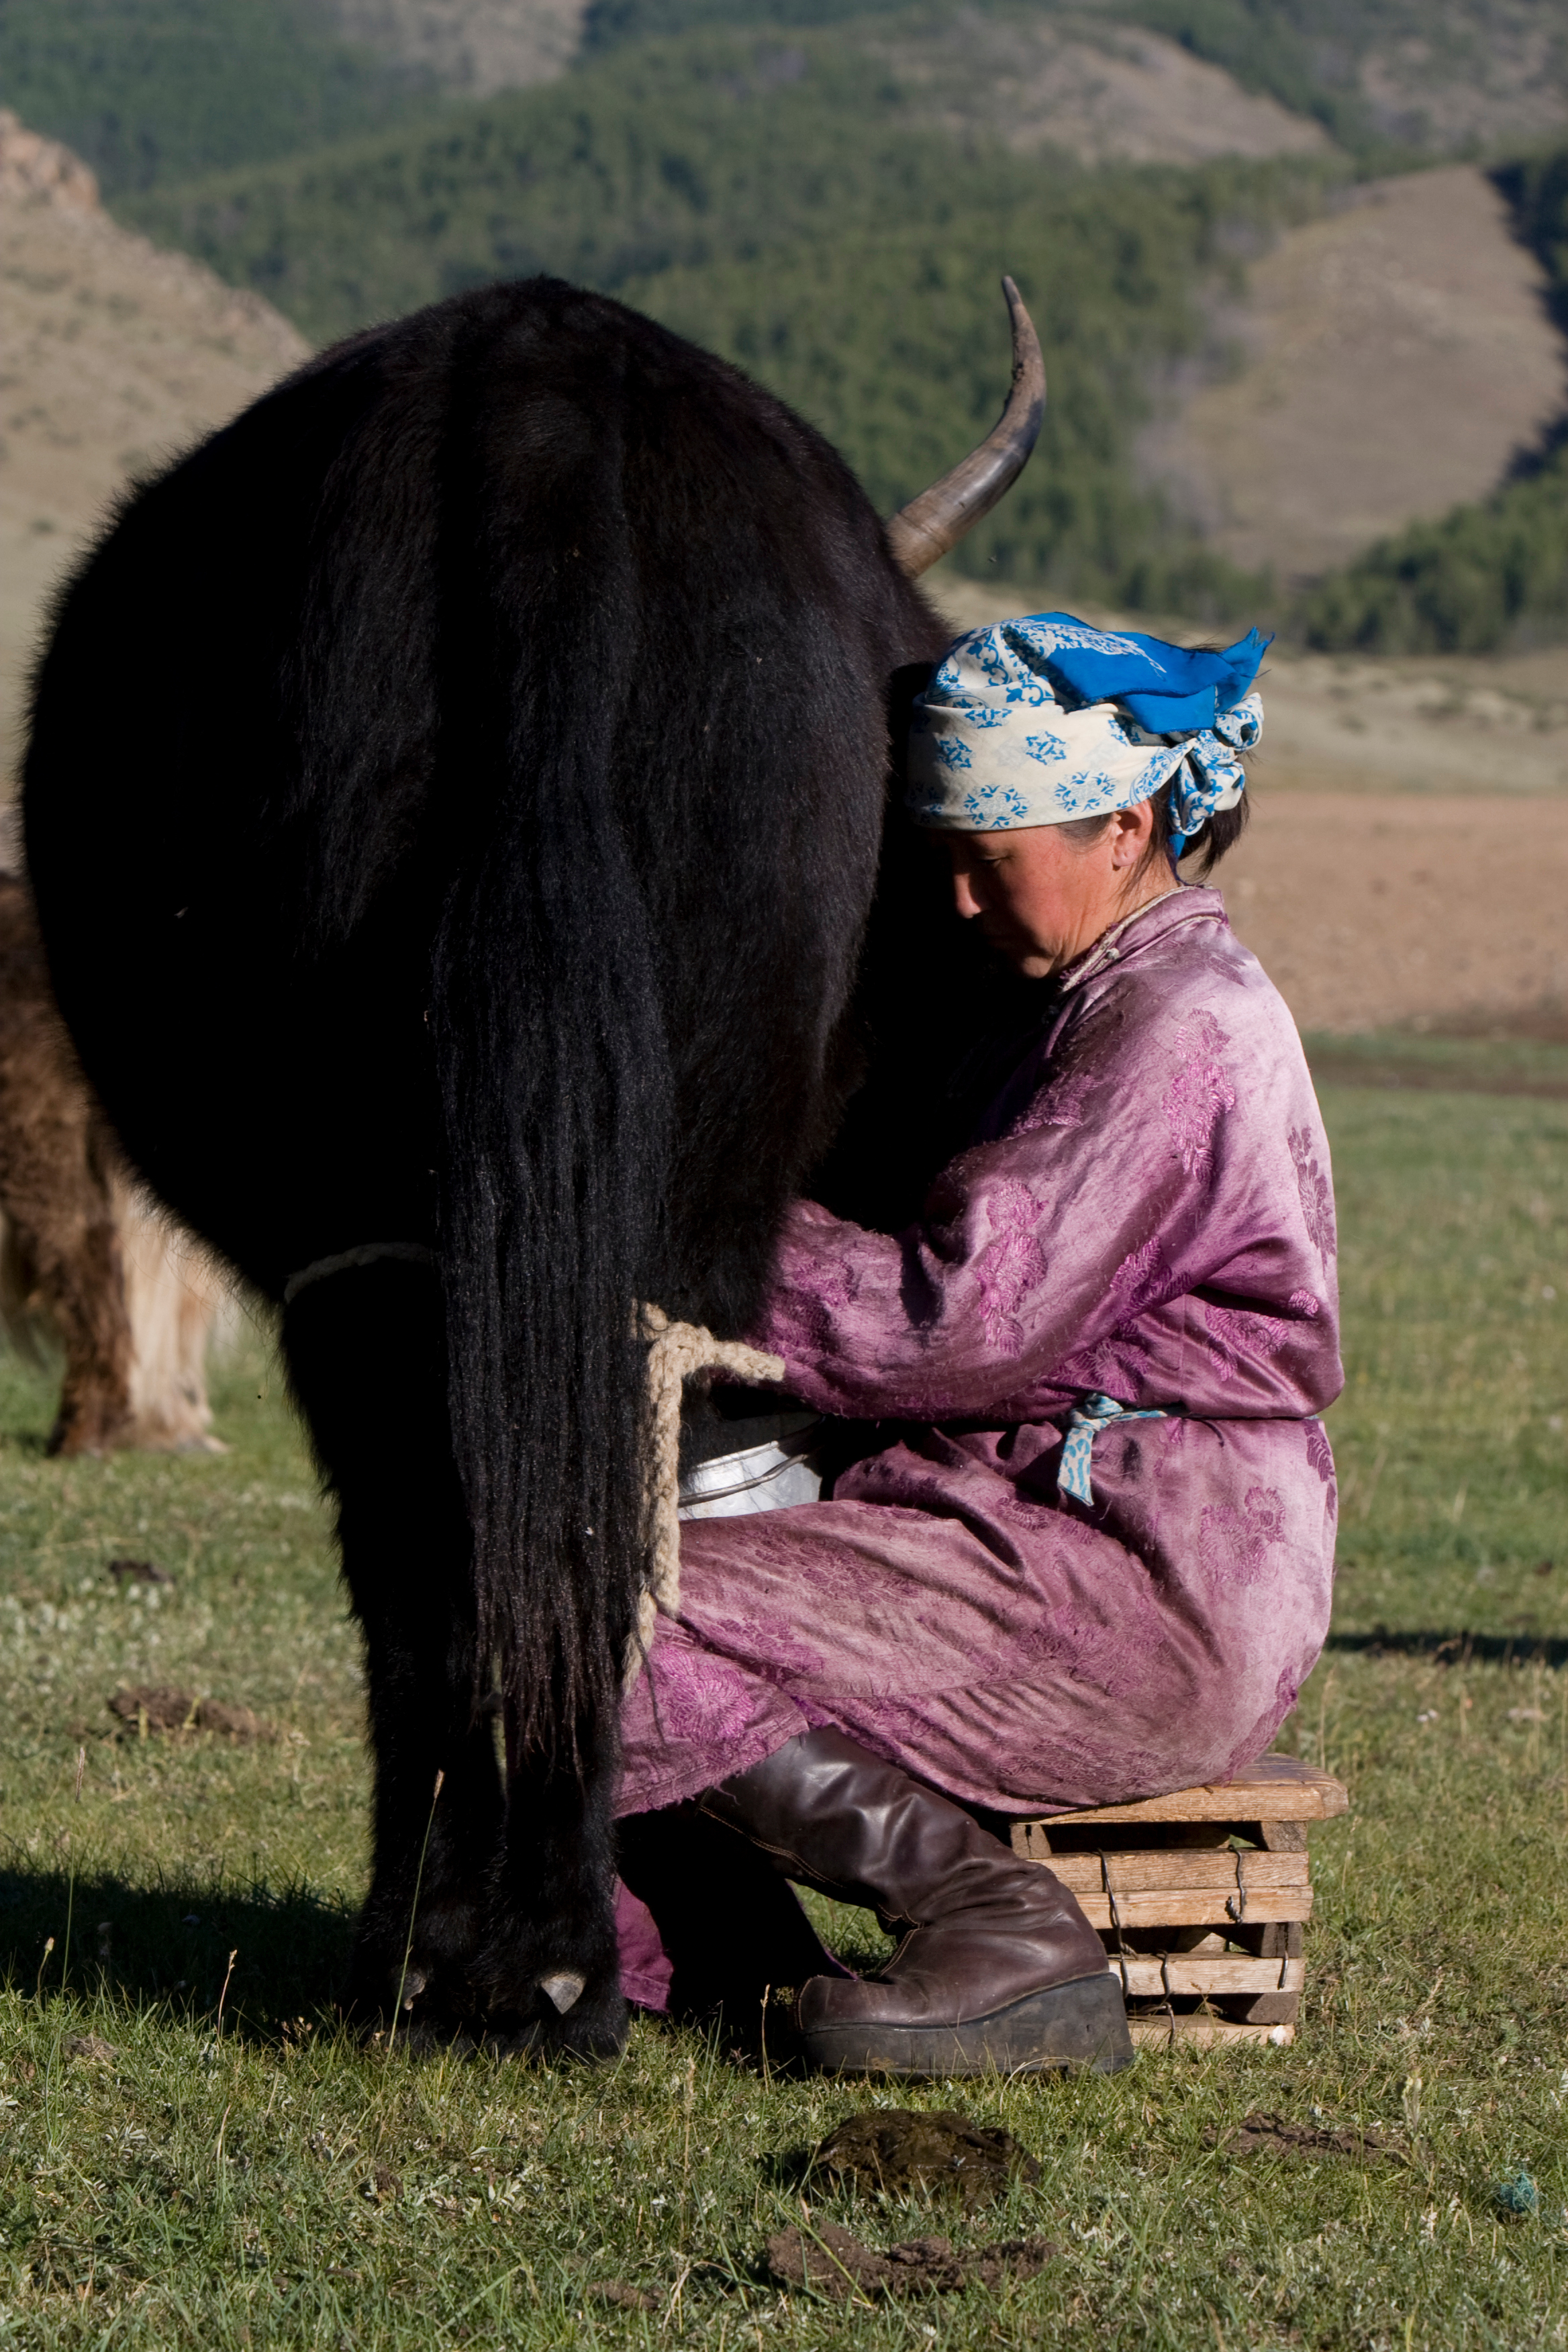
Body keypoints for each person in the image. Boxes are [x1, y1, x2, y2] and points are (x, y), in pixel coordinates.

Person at [615, 612, 1342, 2077]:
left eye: (989, 855)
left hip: (1139, 1581)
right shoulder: (1075, 1004)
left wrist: (697, 1241)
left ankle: (998, 1933)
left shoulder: (1179, 1028)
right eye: (941, 854)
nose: (955, 898)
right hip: (1052, 1538)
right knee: (563, 1590)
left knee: (598, 1617)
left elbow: (953, 1322)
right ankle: (737, 1971)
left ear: (1124, 828)